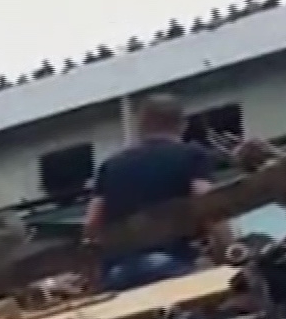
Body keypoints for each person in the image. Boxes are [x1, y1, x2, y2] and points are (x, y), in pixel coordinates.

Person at [83, 93, 231, 292]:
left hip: (118, 274)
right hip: (171, 266)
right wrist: (228, 256)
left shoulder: (110, 166)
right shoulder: (192, 155)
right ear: (182, 125)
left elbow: (92, 224)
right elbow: (209, 207)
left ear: (140, 127)